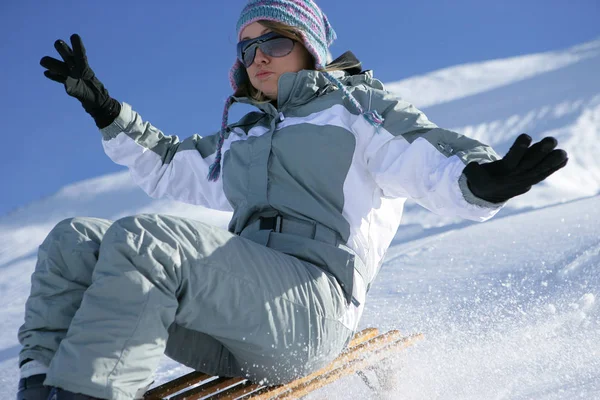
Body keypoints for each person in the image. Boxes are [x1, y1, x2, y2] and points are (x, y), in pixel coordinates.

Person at [17, 0, 568, 399]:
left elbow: (428, 157)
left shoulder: (356, 111)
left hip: (310, 311)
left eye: (275, 41)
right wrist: (107, 109)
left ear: (308, 49)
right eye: (248, 46)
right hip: (232, 318)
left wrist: (482, 180)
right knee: (74, 241)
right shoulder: (245, 131)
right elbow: (170, 165)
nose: (259, 56)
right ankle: (42, 389)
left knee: (147, 241)